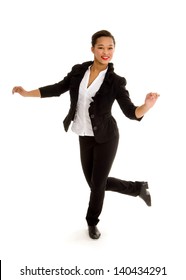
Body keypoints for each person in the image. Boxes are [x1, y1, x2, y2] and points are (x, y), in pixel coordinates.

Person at [12, 30, 159, 240]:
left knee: (97, 185)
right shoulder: (78, 71)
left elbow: (131, 112)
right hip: (84, 134)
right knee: (94, 183)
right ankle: (138, 188)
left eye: (110, 47)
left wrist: (147, 106)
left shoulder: (116, 81)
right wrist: (27, 93)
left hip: (107, 137)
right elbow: (58, 88)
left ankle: (92, 222)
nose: (106, 52)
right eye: (101, 47)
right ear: (92, 49)